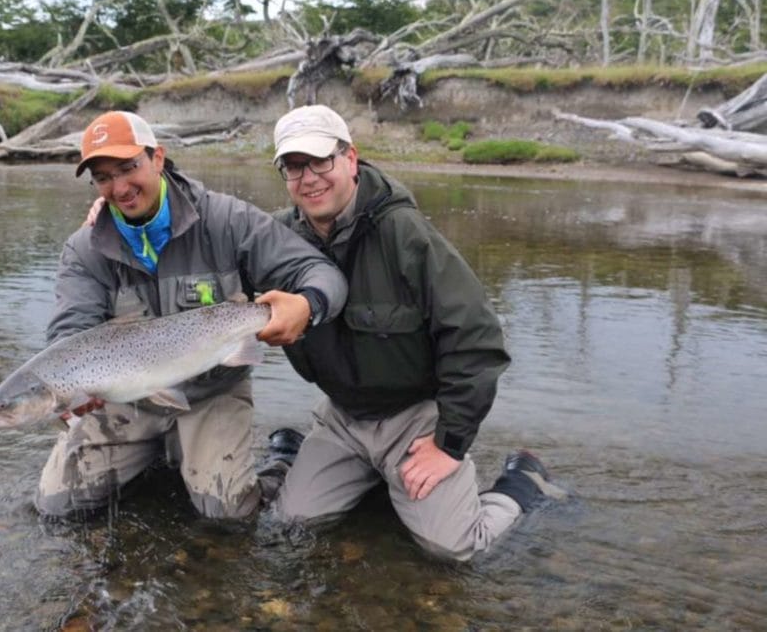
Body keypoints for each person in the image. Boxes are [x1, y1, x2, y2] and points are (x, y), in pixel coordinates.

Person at [267, 104, 565, 561]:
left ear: (350, 159)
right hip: (342, 417)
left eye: (319, 161)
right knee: (290, 526)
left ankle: (523, 481)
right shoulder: (277, 240)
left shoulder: (405, 234)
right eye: (293, 166)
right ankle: (322, 462)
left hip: (414, 418)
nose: (308, 178)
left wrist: (449, 443)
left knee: (453, 548)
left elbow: (478, 339)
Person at [34, 110, 347, 521]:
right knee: (57, 507)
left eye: (129, 168)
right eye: (104, 177)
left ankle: (282, 459)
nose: (121, 187)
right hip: (129, 403)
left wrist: (307, 305)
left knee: (227, 515)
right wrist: (76, 388)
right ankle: (159, 455)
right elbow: (70, 333)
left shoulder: (227, 220)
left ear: (158, 158)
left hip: (210, 394)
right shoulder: (85, 249)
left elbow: (322, 274)